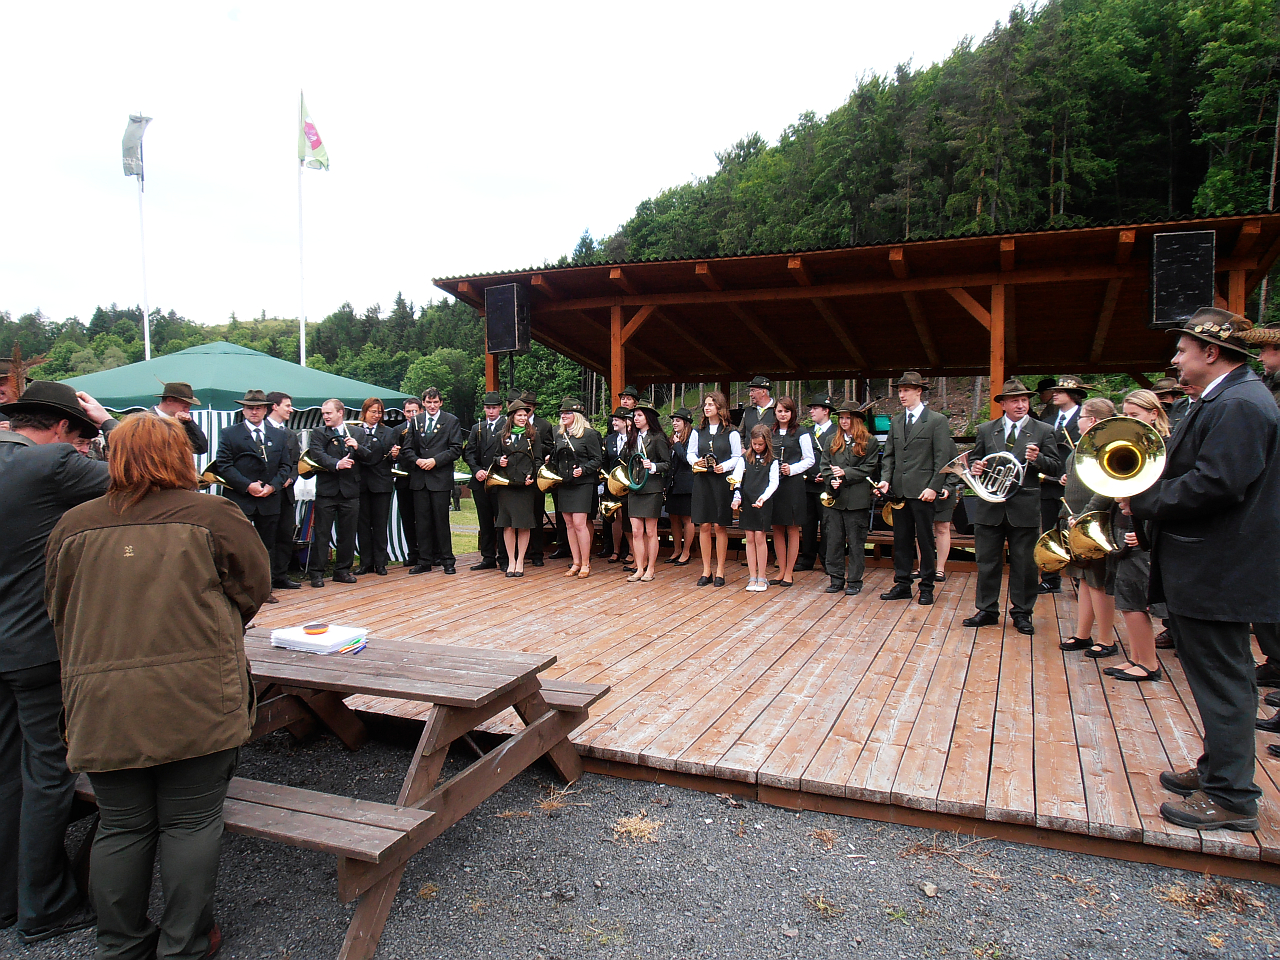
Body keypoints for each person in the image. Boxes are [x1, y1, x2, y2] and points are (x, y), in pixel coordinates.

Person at [45, 413, 271, 960]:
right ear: (180, 456)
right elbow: (253, 588)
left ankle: (120, 942)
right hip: (197, 693)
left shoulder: (73, 525)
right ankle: (184, 943)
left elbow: (59, 607)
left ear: (112, 457)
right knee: (191, 822)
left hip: (101, 699)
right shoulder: (212, 514)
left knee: (121, 825)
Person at [1128, 308, 1280, 831]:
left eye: (1182, 351)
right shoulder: (1228, 398)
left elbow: (1217, 483)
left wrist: (1143, 499)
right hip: (1211, 564)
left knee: (1224, 680)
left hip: (1220, 567)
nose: (1175, 359)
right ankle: (1219, 770)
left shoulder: (1239, 404)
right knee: (1218, 677)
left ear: (1211, 353)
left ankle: (1232, 796)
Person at [0, 381, 114, 944]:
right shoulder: (49, 465)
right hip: (36, 645)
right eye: (82, 439)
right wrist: (111, 423)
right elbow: (155, 474)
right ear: (63, 427)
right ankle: (43, 905)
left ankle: (8, 897)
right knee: (48, 773)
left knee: (6, 770)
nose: (83, 449)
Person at [961, 379, 1061, 635]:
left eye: (1024, 400)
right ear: (1003, 404)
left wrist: (1038, 459)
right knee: (987, 561)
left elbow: (1055, 466)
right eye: (1015, 400)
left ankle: (1022, 612)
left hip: (1023, 507)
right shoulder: (986, 429)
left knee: (1025, 564)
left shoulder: (1044, 430)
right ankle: (987, 609)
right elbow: (976, 459)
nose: (1021, 405)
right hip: (990, 506)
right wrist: (976, 467)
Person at [1087, 390, 1170, 682]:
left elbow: (1165, 495)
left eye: (1135, 415)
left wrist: (1144, 533)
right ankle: (1136, 657)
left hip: (1140, 531)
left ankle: (1148, 663)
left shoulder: (1162, 449)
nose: (1129, 419)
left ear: (1153, 414)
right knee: (1125, 597)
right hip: (1123, 524)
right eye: (1125, 414)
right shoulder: (1131, 443)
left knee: (1135, 598)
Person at [876, 371, 952, 606]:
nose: (902, 395)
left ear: (919, 391)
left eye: (906, 390)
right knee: (901, 539)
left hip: (923, 492)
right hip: (899, 491)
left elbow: (942, 458)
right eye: (900, 390)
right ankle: (902, 583)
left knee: (926, 540)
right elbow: (889, 455)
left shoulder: (936, 420)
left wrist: (934, 487)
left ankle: (927, 586)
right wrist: (886, 479)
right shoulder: (897, 421)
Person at [213, 389, 290, 602]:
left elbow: (285, 466)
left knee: (267, 546)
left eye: (257, 408)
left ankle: (264, 589)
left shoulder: (279, 435)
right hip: (241, 499)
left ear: (265, 410)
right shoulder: (229, 433)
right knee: (238, 544)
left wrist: (273, 487)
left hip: (269, 499)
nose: (253, 412)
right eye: (249, 408)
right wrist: (247, 486)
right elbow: (224, 465)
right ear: (243, 410)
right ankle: (238, 589)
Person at [1055, 397, 1117, 655]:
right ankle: (1083, 634)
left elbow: (1106, 487)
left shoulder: (1106, 446)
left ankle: (1106, 640)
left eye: (1080, 417)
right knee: (1084, 579)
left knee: (1097, 582)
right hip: (1076, 519)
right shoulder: (1086, 443)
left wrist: (1084, 515)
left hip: (1095, 522)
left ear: (1091, 420)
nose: (1077, 421)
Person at [400, 387, 464, 575]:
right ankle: (424, 560)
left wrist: (435, 461)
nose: (432, 405)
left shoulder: (451, 420)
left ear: (441, 403)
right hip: (420, 479)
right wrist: (417, 460)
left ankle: (447, 560)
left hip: (440, 479)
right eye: (429, 402)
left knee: (441, 521)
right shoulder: (416, 421)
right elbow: (407, 448)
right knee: (422, 522)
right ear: (423, 403)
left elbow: (456, 449)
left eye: (435, 402)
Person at [819, 400, 880, 596]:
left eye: (848, 418)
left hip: (856, 500)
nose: (844, 421)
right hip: (835, 499)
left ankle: (854, 580)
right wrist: (831, 479)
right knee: (833, 541)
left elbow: (869, 468)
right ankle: (836, 578)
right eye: (841, 418)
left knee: (856, 543)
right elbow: (825, 465)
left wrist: (846, 473)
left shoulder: (869, 441)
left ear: (857, 420)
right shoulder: (831, 440)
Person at [306, 399, 365, 587]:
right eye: (323, 413)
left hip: (350, 490)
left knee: (347, 533)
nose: (325, 416)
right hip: (327, 490)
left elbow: (370, 456)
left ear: (340, 413)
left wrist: (358, 447)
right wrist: (337, 464)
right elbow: (317, 454)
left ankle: (342, 571)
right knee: (322, 533)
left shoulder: (357, 432)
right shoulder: (318, 433)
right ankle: (317, 572)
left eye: (329, 413)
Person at [687, 391, 741, 588]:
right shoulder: (697, 431)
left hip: (721, 481)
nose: (707, 407)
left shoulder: (731, 432)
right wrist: (697, 462)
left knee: (719, 525)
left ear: (719, 407)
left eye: (711, 404)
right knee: (704, 525)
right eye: (705, 404)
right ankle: (706, 570)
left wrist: (724, 467)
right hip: (703, 480)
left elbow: (737, 457)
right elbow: (690, 453)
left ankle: (720, 571)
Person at [550, 398, 602, 579]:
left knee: (580, 524)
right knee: (569, 524)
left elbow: (597, 459)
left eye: (567, 413)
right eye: (562, 413)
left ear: (577, 415)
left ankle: (586, 563)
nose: (563, 416)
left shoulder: (589, 434)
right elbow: (556, 458)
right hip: (565, 484)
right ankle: (576, 562)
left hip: (583, 484)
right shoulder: (559, 434)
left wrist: (583, 470)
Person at [768, 397, 815, 588]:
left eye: (786, 411)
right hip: (774, 484)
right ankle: (780, 570)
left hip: (793, 484)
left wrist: (793, 469)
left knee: (792, 527)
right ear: (775, 412)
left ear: (792, 412)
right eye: (780, 411)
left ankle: (789, 572)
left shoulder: (801, 433)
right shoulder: (770, 432)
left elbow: (810, 459)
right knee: (777, 527)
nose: (783, 414)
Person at [494, 400, 542, 576]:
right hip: (506, 485)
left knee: (523, 524)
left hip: (525, 486)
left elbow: (538, 460)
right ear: (512, 417)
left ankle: (520, 560)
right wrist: (499, 461)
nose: (523, 418)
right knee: (507, 525)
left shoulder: (533, 436)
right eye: (519, 415)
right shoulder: (501, 435)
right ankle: (511, 561)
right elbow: (495, 456)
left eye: (525, 415)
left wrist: (532, 475)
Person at [732, 424, 780, 592]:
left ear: (767, 443)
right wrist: (737, 498)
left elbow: (774, 482)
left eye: (761, 444)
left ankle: (762, 576)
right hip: (747, 500)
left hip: (763, 502)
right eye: (755, 444)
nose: (757, 447)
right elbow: (737, 479)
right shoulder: (744, 458)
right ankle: (752, 576)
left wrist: (763, 498)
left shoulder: (773, 461)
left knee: (760, 536)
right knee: (749, 538)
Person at [626, 404, 671, 583]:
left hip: (652, 488)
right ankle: (639, 568)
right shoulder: (632, 437)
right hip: (635, 487)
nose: (635, 419)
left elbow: (667, 463)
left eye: (639, 415)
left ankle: (650, 568)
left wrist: (653, 466)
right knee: (636, 531)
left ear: (648, 418)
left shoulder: (658, 437)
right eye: (634, 416)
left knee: (651, 531)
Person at [463, 392, 505, 571]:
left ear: (500, 408)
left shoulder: (507, 426)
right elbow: (468, 453)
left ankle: (504, 557)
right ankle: (488, 557)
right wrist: (476, 470)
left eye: (494, 408)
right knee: (485, 520)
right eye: (488, 408)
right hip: (480, 481)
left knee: (502, 521)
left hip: (499, 480)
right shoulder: (477, 428)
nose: (491, 411)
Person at [264, 392, 302, 590]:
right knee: (267, 537)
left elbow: (296, 463)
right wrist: (276, 482)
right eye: (287, 405)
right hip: (267, 493)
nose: (291, 409)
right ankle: (266, 578)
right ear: (274, 406)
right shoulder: (262, 429)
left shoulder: (291, 434)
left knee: (285, 535)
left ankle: (280, 575)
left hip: (286, 494)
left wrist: (291, 477)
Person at [353, 398, 394, 576]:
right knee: (362, 524)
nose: (376, 415)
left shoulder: (389, 432)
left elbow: (391, 458)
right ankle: (365, 562)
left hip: (381, 483)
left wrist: (395, 455)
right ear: (365, 412)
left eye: (379, 412)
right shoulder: (355, 431)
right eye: (373, 412)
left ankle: (380, 562)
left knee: (380, 524)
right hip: (361, 483)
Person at [796, 394, 836, 572]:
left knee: (827, 524)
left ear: (826, 410)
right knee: (808, 524)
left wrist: (828, 475)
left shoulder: (837, 432)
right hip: (808, 484)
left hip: (827, 487)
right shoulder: (806, 432)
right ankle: (807, 559)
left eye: (815, 408)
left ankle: (828, 560)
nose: (811, 411)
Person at [521, 390, 555, 566]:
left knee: (537, 514)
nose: (526, 411)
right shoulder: (512, 424)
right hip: (518, 475)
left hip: (536, 474)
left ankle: (537, 553)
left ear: (534, 408)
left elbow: (550, 447)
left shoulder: (544, 425)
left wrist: (536, 445)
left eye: (529, 408)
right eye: (523, 408)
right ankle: (521, 552)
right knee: (520, 515)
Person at [391, 397, 422, 568]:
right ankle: (412, 553)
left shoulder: (424, 427)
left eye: (415, 411)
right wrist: (395, 455)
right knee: (407, 519)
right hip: (403, 479)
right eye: (408, 411)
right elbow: (392, 454)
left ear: (421, 411)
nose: (411, 414)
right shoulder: (397, 430)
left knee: (424, 518)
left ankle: (429, 552)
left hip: (421, 477)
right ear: (404, 413)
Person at [602, 407, 633, 566]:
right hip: (612, 484)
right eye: (613, 420)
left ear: (626, 422)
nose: (613, 422)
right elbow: (605, 461)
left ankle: (632, 551)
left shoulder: (634, 438)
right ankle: (616, 550)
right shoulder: (609, 439)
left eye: (617, 420)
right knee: (615, 517)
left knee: (627, 517)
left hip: (629, 485)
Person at [665, 408, 695, 566]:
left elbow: (686, 459)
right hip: (672, 483)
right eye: (673, 421)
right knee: (673, 517)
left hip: (686, 484)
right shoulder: (672, 438)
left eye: (678, 421)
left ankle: (686, 551)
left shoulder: (692, 438)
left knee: (687, 518)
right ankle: (676, 549)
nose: (674, 423)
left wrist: (677, 445)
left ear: (686, 423)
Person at [151, 382, 209, 457]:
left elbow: (201, 448)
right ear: (169, 401)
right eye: (185, 406)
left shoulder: (184, 422)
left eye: (189, 407)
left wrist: (189, 423)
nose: (187, 411)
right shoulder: (144, 421)